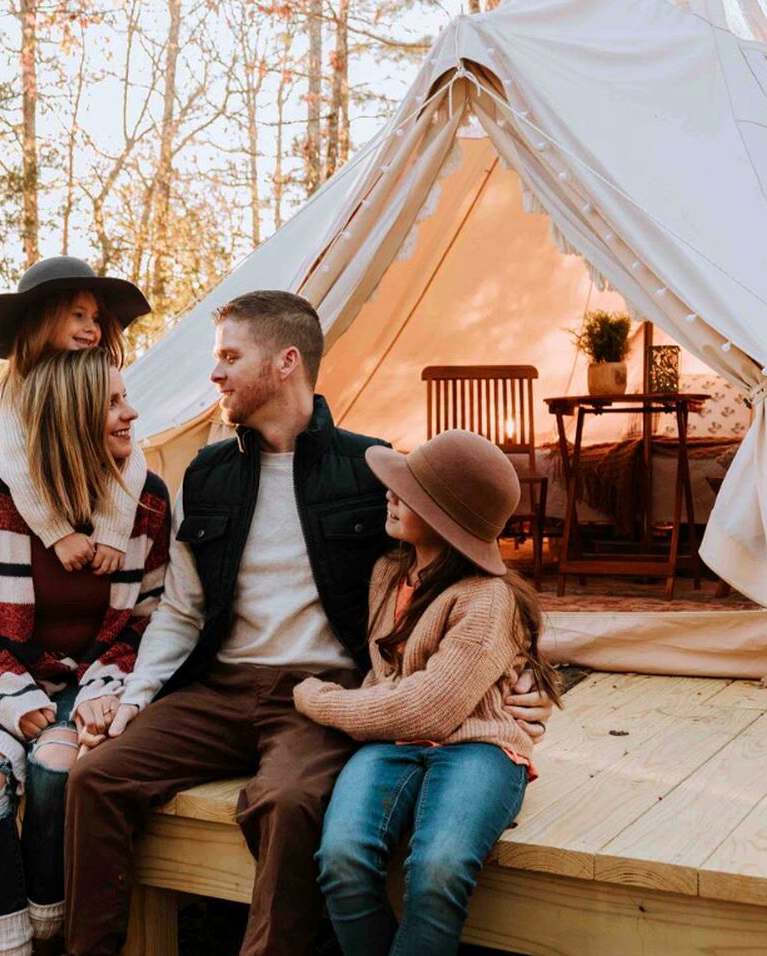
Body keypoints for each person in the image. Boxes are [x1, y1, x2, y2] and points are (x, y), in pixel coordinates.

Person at [63, 291, 555, 956]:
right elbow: (182, 609)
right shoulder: (205, 476)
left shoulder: (369, 469)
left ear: (286, 361)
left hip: (320, 696)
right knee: (97, 777)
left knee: (290, 802)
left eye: (231, 357)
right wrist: (134, 699)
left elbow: (452, 580)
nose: (215, 374)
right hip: (216, 688)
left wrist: (511, 669)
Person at [295, 429, 563, 956]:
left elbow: (428, 708)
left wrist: (317, 699)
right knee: (341, 861)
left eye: (409, 491)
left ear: (446, 518)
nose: (390, 494)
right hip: (391, 743)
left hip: (479, 747)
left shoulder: (487, 599)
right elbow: (397, 692)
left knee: (438, 869)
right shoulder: (388, 574)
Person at [0, 348, 170, 956]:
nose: (131, 414)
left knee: (58, 770)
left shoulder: (146, 501)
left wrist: (107, 689)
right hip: (1, 678)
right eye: (113, 404)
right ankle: (7, 948)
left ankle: (48, 927)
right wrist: (11, 694)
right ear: (68, 417)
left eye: (126, 398)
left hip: (97, 681)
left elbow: (150, 618)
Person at [0, 255, 153, 576]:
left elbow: (132, 457)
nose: (91, 327)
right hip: (47, 494)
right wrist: (58, 532)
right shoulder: (15, 390)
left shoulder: (102, 377)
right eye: (78, 315)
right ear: (43, 320)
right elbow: (16, 463)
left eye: (96, 318)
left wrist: (113, 530)